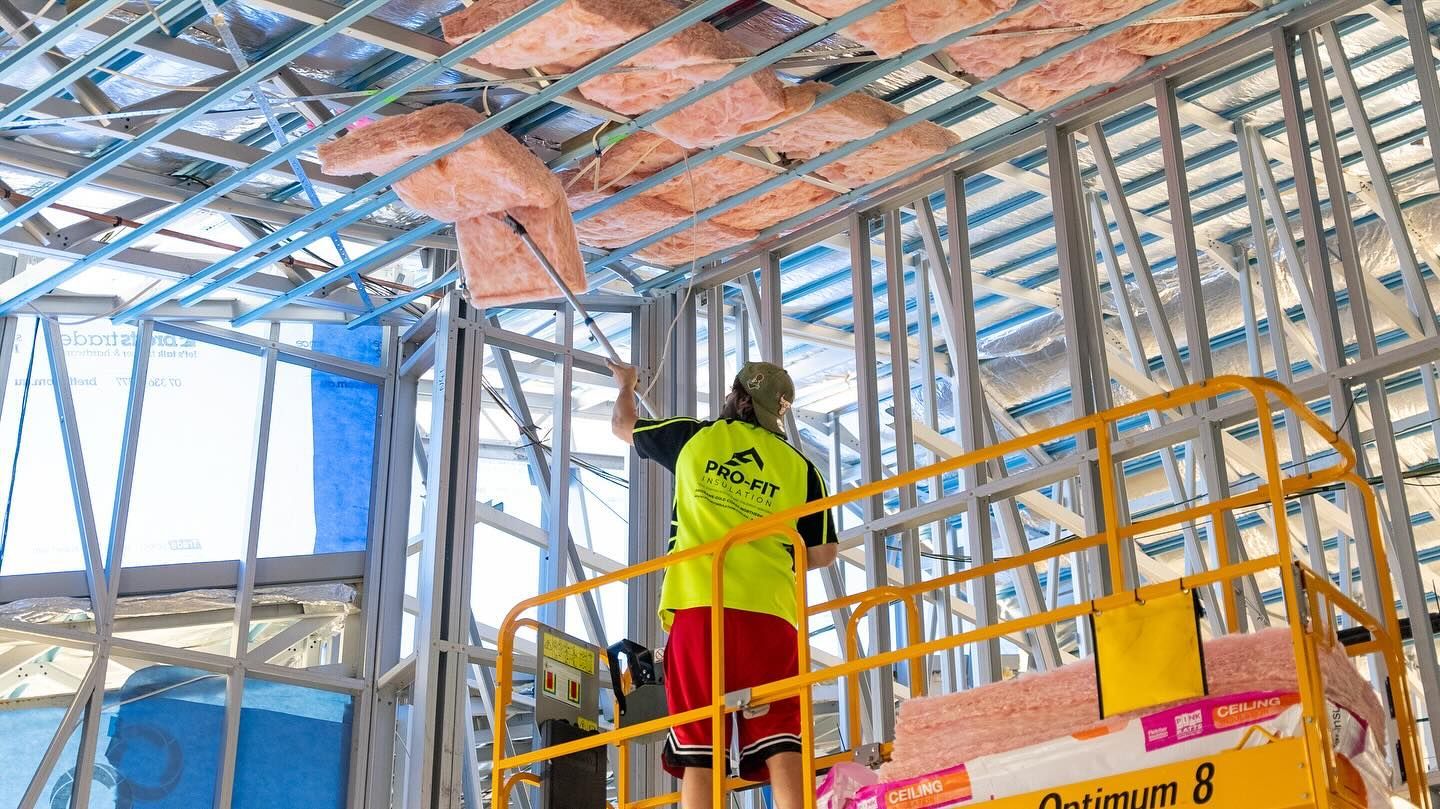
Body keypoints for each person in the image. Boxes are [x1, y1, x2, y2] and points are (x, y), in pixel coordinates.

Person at [608, 358, 839, 809]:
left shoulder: (696, 437)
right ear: (778, 414)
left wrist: (627, 384)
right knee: (782, 741)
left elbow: (622, 424)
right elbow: (824, 552)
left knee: (700, 745)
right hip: (771, 615)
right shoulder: (801, 468)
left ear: (736, 397)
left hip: (700, 606)